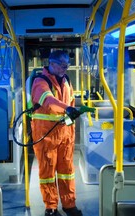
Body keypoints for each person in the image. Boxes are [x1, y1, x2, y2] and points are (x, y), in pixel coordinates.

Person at [30, 50, 83, 216]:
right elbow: (48, 101)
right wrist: (67, 108)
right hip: (46, 136)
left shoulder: (66, 80)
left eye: (67, 65)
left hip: (65, 134)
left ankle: (69, 205)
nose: (65, 68)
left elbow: (71, 100)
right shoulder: (40, 81)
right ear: (51, 63)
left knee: (67, 171)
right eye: (61, 65)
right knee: (48, 173)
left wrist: (71, 114)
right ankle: (51, 208)